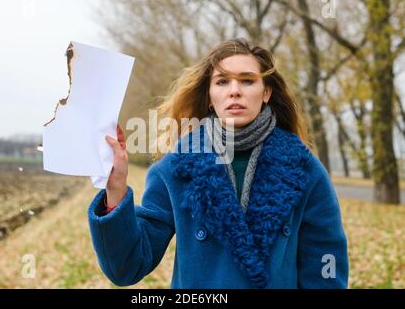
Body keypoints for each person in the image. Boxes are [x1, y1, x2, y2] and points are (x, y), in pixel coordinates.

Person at [87, 38, 349, 289]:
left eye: (247, 81)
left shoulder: (303, 169)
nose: (234, 91)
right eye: (222, 81)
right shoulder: (176, 169)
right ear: (210, 96)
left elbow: (325, 265)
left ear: (266, 92)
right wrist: (116, 190)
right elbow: (127, 266)